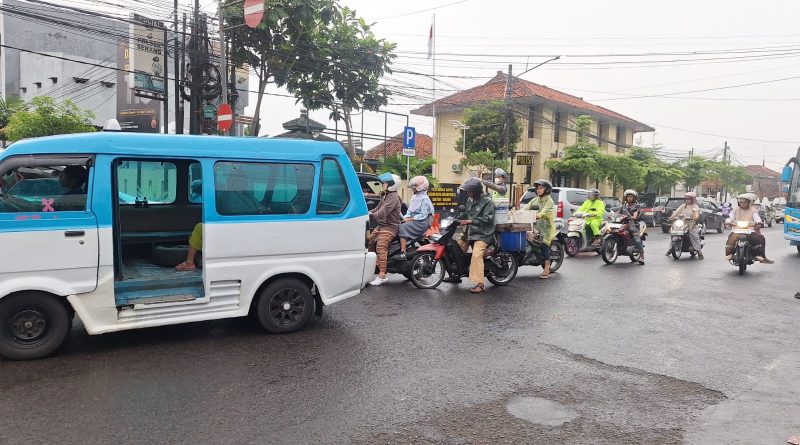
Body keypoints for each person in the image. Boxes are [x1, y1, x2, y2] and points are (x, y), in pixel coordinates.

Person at [449, 177, 496, 293]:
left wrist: (471, 221)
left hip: (483, 233)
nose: (468, 193)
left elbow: (488, 219)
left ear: (476, 191)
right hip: (469, 230)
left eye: (469, 191)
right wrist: (457, 218)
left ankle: (480, 284)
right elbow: (466, 213)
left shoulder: (488, 202)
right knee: (452, 242)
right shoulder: (470, 200)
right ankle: (456, 273)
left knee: (476, 254)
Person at [367, 173, 403, 286]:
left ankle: (382, 275)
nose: (383, 184)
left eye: (386, 183)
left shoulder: (393, 197)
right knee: (368, 242)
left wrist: (372, 215)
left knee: (381, 247)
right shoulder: (386, 196)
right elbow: (378, 208)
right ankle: (376, 267)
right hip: (381, 226)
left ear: (392, 185)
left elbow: (384, 211)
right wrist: (367, 212)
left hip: (390, 227)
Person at [724, 193, 774, 264]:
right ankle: (730, 254)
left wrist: (759, 222)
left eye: (744, 202)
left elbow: (756, 218)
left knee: (757, 239)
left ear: (748, 203)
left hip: (749, 230)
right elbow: (730, 217)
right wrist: (728, 221)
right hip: (737, 229)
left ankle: (757, 255)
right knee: (731, 238)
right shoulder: (735, 210)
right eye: (741, 202)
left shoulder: (753, 210)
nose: (742, 204)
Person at [522, 179, 556, 279]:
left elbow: (545, 211)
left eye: (541, 188)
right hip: (535, 227)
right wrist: (517, 213)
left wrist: (538, 215)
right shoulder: (535, 200)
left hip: (546, 229)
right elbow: (525, 209)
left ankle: (547, 268)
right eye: (537, 188)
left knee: (544, 245)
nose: (538, 190)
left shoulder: (549, 201)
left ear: (547, 189)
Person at [398, 176, 434, 260]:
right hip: (414, 220)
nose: (413, 188)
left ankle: (403, 252)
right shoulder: (414, 197)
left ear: (420, 187)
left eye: (415, 186)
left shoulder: (424, 199)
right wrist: (404, 218)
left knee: (402, 227)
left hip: (421, 222)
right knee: (397, 224)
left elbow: (423, 215)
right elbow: (409, 211)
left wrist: (409, 219)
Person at [665, 192, 704, 259]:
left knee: (694, 236)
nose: (687, 200)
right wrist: (671, 217)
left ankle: (699, 252)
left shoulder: (695, 207)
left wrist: (695, 217)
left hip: (691, 224)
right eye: (686, 198)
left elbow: (696, 213)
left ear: (692, 199)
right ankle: (671, 249)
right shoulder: (683, 206)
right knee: (674, 233)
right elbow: (676, 212)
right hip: (682, 224)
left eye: (688, 199)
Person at [619, 189, 645, 265]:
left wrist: (630, 217)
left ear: (634, 198)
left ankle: (642, 257)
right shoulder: (624, 205)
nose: (629, 198)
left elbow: (635, 216)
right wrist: (612, 215)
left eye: (631, 197)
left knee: (637, 240)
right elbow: (618, 212)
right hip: (623, 224)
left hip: (633, 224)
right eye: (628, 197)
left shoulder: (637, 206)